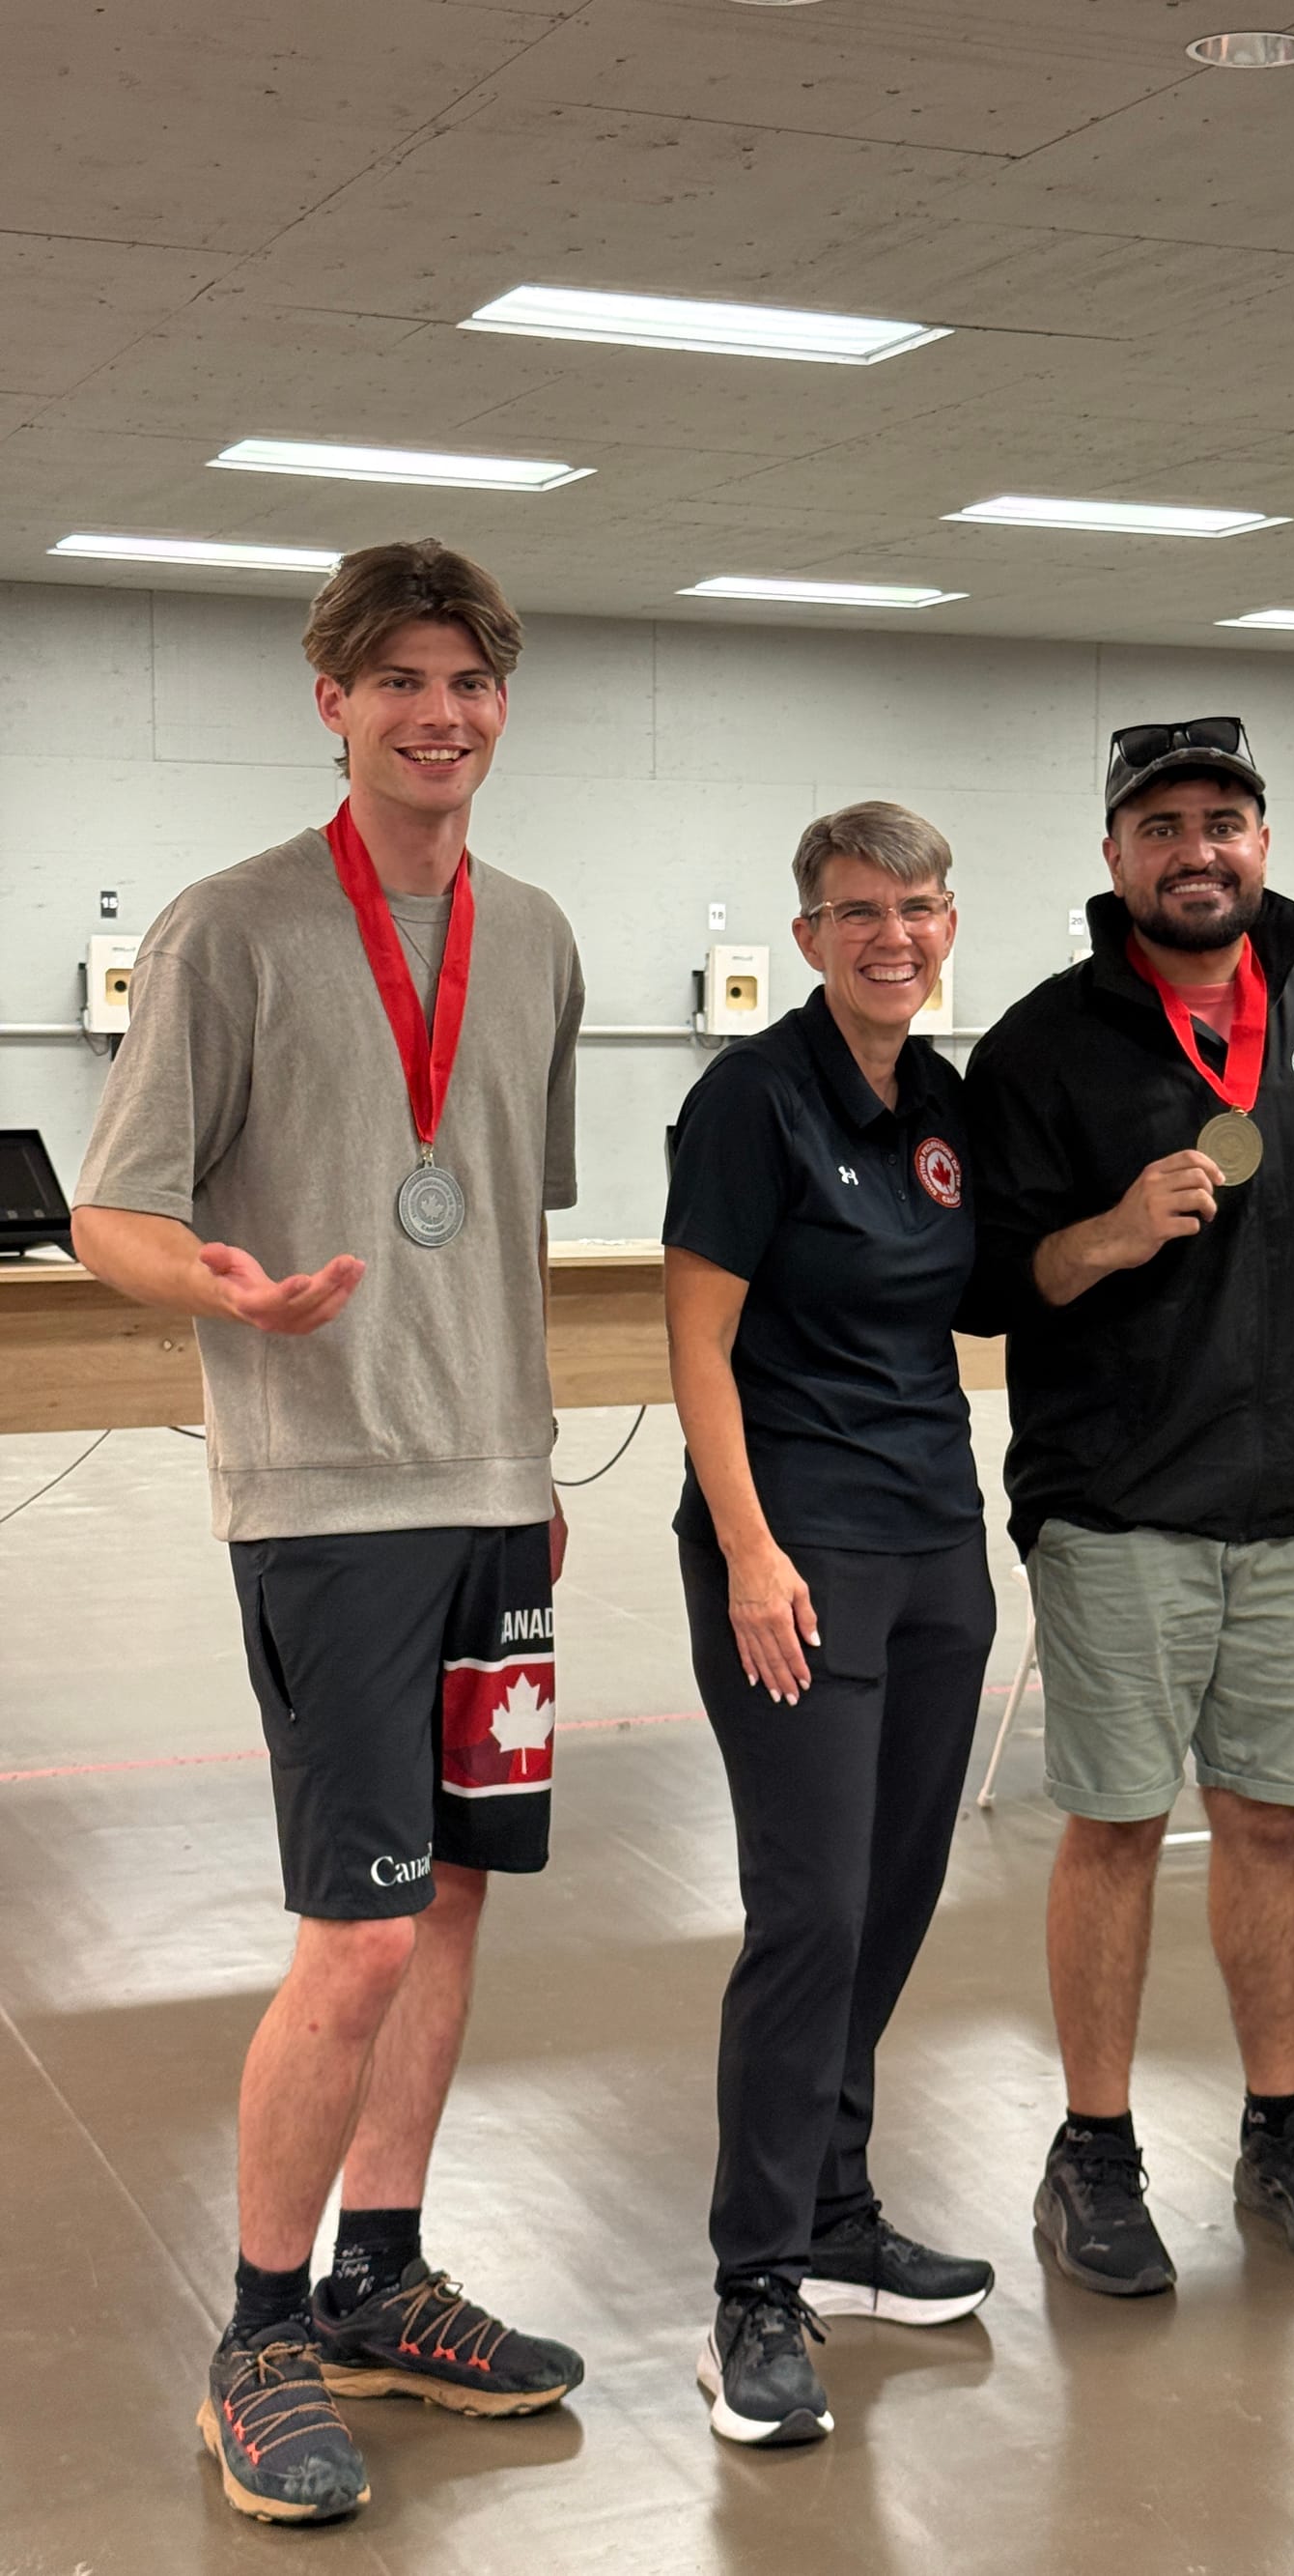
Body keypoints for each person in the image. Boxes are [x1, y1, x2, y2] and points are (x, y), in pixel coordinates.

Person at [70, 540, 587, 2524]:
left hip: (493, 1496)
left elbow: (497, 1214)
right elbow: (112, 1208)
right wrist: (212, 1281)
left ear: (497, 705)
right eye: (399, 681)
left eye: (467, 681)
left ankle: (384, 2277)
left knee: (451, 1898)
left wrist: (534, 1464)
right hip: (330, 1500)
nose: (437, 714)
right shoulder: (234, 925)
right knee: (357, 1925)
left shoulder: (537, 935)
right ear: (335, 704)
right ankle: (259, 2329)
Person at [965, 717, 1294, 2296]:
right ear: (1114, 856)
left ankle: (1279, 2128)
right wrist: (1113, 1232)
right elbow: (993, 1284)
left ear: (1261, 842)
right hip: (1121, 1503)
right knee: (1119, 1825)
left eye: (1223, 821)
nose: (1196, 851)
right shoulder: (1043, 1042)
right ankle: (1094, 2147)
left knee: (1274, 1824)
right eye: (1161, 827)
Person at [664, 800, 997, 2449]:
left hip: (936, 1543)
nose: (893, 936)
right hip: (797, 1554)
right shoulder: (753, 1099)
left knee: (895, 1895)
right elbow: (696, 1344)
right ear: (806, 937)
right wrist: (746, 1549)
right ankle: (752, 2286)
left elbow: (976, 1296)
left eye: (917, 907)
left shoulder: (940, 1101)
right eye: (859, 911)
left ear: (950, 924)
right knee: (808, 1912)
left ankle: (839, 2213)